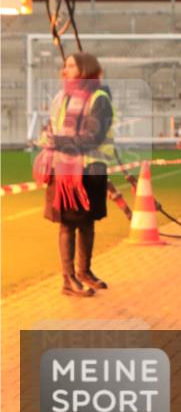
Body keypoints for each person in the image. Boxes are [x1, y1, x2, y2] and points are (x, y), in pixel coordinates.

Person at [33, 52, 114, 297]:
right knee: (68, 225)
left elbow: (93, 137)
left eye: (71, 65)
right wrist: (48, 139)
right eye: (65, 65)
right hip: (65, 171)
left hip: (90, 169)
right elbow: (51, 126)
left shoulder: (99, 98)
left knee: (87, 224)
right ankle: (68, 279)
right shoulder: (61, 97)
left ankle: (83, 272)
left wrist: (58, 140)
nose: (65, 69)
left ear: (85, 70)